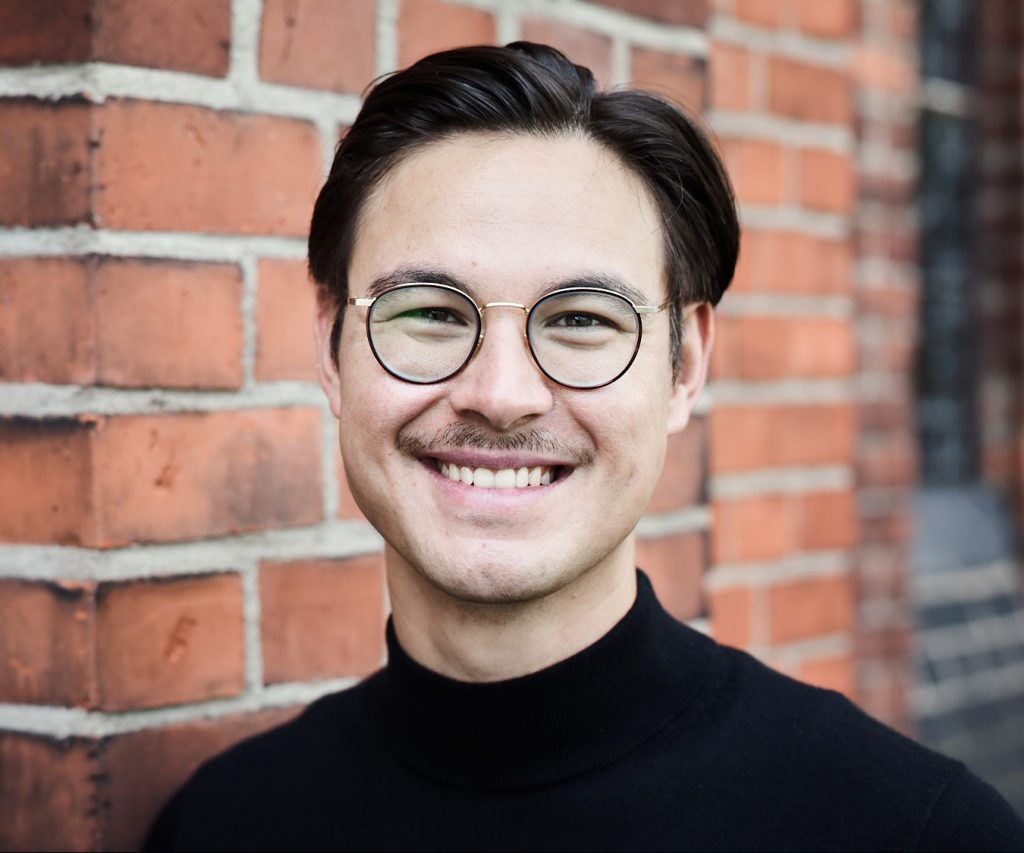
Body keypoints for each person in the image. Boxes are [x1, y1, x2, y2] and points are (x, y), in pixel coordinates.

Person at [144, 42, 1024, 851]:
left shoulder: (915, 831)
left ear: (685, 367)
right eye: (431, 312)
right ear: (332, 347)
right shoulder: (223, 824)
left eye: (580, 321)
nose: (500, 395)